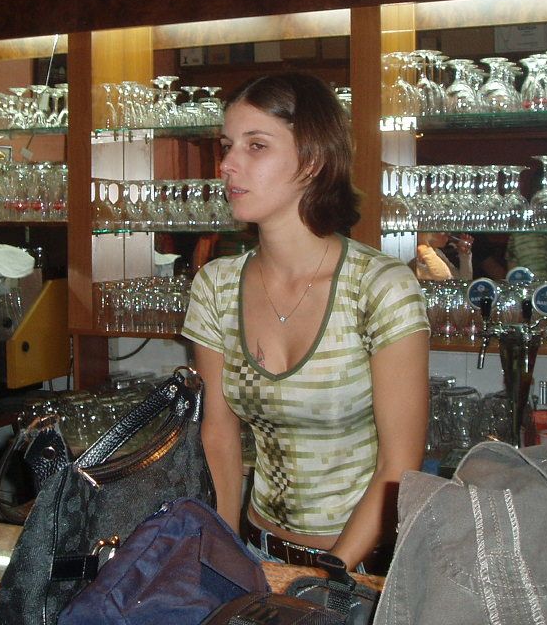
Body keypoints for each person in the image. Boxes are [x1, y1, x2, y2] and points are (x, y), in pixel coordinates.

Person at [181, 73, 430, 572]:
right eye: (227, 146)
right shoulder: (216, 285)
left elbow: (400, 463)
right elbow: (218, 436)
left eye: (256, 145)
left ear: (313, 160)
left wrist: (329, 577)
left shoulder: (378, 286)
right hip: (258, 552)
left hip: (363, 566)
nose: (227, 165)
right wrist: (223, 559)